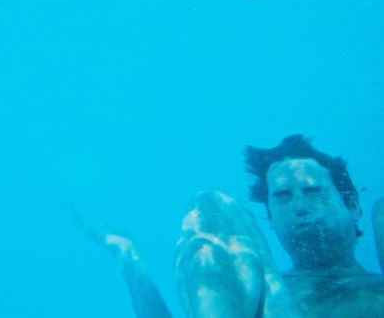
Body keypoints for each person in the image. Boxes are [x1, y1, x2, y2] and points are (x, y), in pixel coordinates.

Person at [81, 135, 384, 316]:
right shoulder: (247, 294)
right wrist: (128, 257)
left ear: (352, 205)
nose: (300, 207)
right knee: (212, 203)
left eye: (313, 191)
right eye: (282, 197)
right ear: (271, 220)